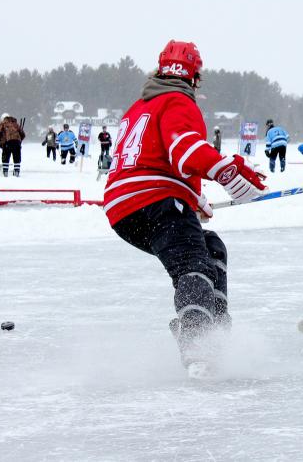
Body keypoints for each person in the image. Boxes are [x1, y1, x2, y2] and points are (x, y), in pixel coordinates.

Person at [104, 40, 268, 377]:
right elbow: (184, 149)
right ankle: (199, 347)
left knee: (210, 247)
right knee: (193, 267)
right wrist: (227, 170)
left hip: (124, 211)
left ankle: (213, 331)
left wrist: (193, 198)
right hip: (156, 201)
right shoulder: (178, 101)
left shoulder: (140, 106)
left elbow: (155, 158)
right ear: (194, 77)